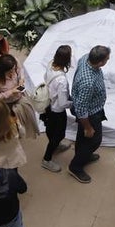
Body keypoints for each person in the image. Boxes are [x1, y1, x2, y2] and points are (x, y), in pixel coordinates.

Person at [68, 45, 110, 184]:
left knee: (83, 137)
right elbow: (81, 108)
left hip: (92, 108)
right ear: (100, 62)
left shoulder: (86, 57)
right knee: (94, 139)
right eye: (106, 59)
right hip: (89, 114)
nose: (108, 60)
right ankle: (76, 166)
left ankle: (82, 155)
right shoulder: (88, 82)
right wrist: (87, 127)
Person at [0, 53, 38, 147]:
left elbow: (20, 70)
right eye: (10, 71)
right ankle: (11, 134)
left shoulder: (13, 62)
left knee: (26, 114)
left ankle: (20, 129)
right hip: (7, 104)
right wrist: (10, 92)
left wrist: (21, 79)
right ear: (2, 71)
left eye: (14, 69)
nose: (13, 72)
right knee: (9, 122)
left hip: (19, 97)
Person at [40, 44, 74, 172]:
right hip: (57, 111)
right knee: (59, 134)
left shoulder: (50, 65)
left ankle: (55, 145)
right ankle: (47, 159)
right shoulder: (61, 80)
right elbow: (63, 103)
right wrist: (73, 103)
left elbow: (45, 78)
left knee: (50, 129)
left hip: (47, 106)